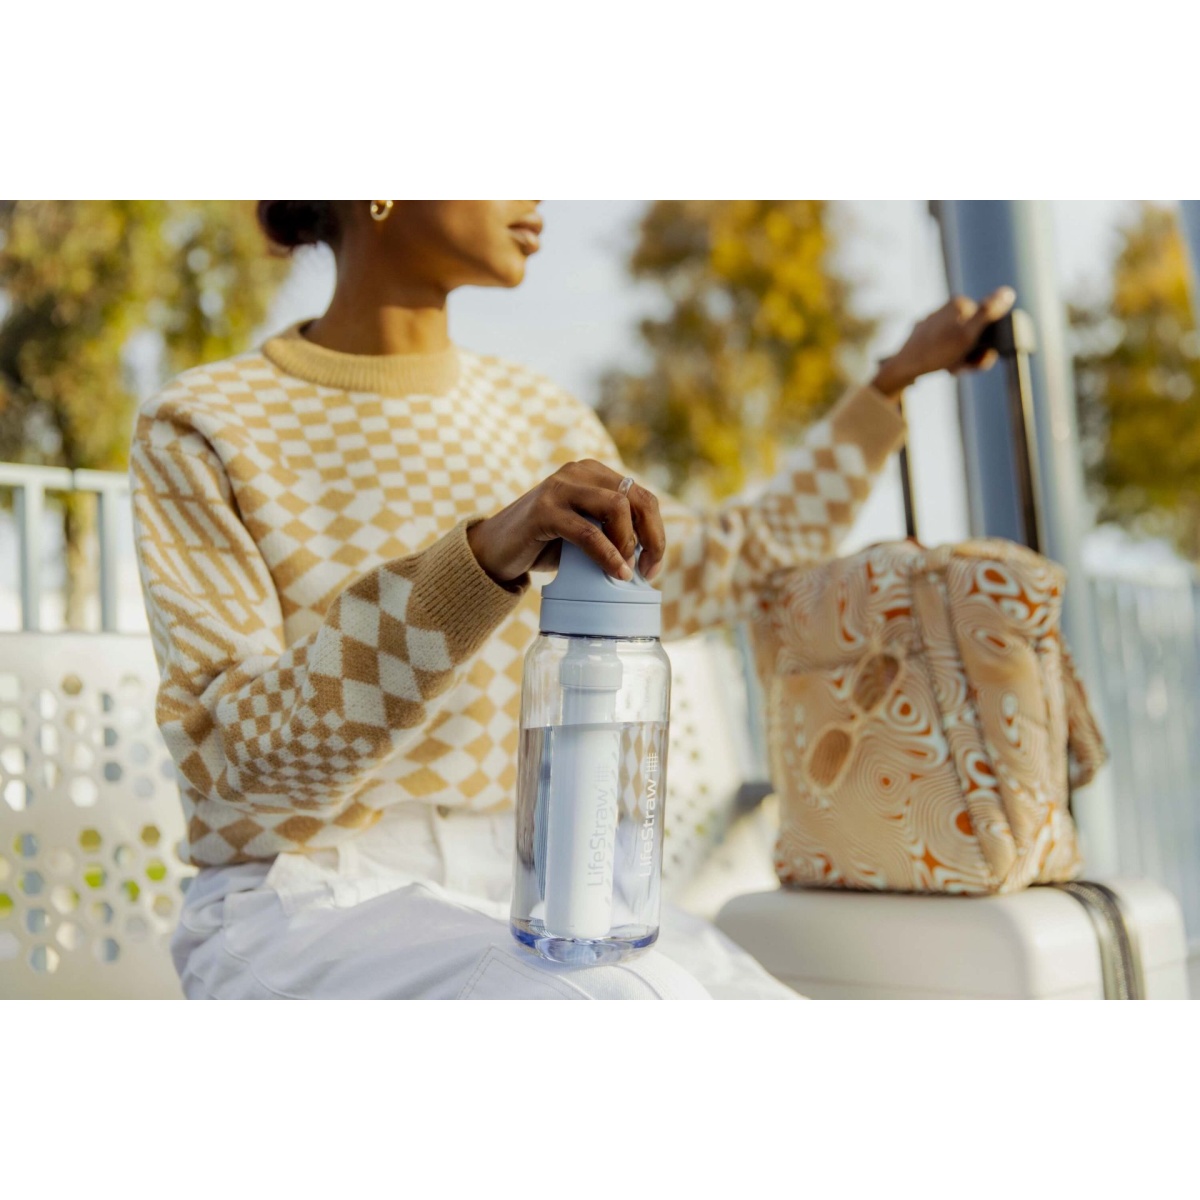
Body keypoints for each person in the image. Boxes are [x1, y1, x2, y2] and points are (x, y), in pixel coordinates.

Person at [130, 200, 1014, 999]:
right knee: (620, 1009)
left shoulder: (541, 415)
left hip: (547, 878)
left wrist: (891, 385)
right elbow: (234, 764)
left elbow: (725, 562)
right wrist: (481, 561)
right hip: (305, 898)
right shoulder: (204, 424)